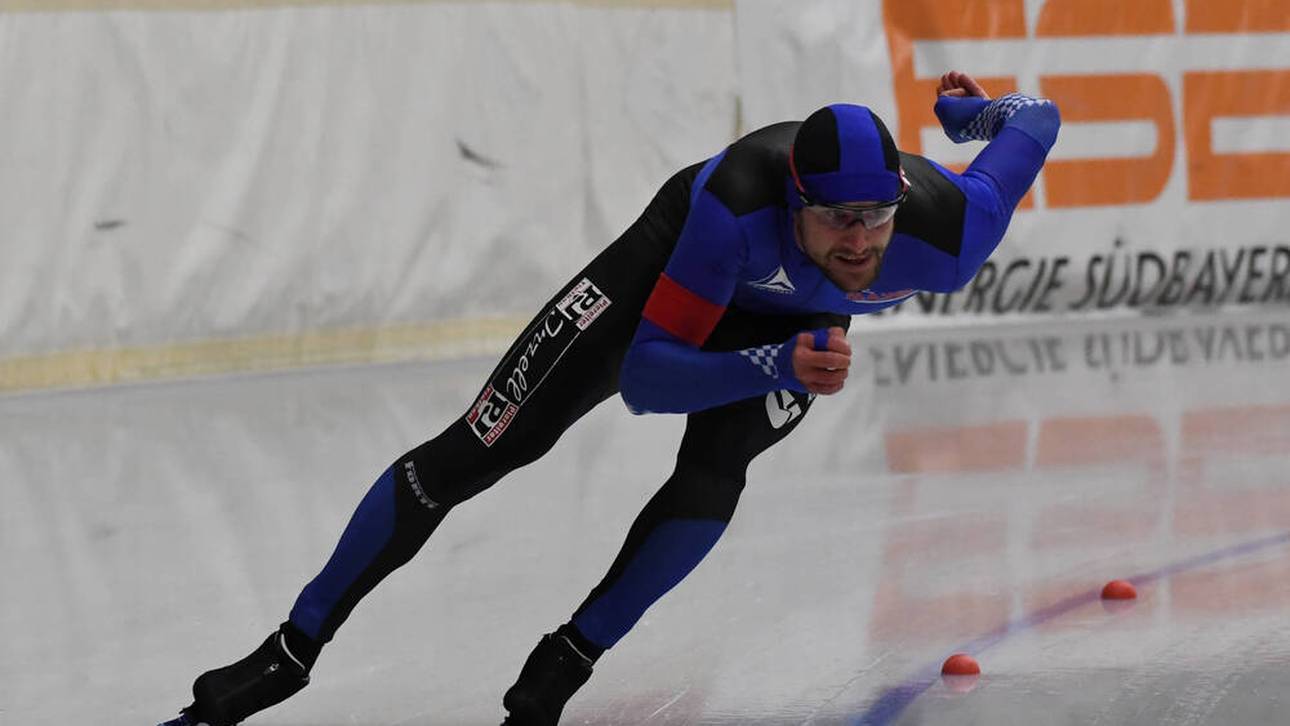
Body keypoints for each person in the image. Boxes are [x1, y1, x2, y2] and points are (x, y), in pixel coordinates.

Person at [160, 70, 1059, 726]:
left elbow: (1039, 116)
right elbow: (646, 378)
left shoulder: (952, 231)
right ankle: (289, 652)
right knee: (483, 445)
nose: (860, 243)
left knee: (719, 468)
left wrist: (973, 115)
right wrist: (775, 365)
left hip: (786, 326)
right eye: (835, 220)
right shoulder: (736, 203)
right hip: (671, 279)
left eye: (875, 217)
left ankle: (565, 663)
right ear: (795, 200)